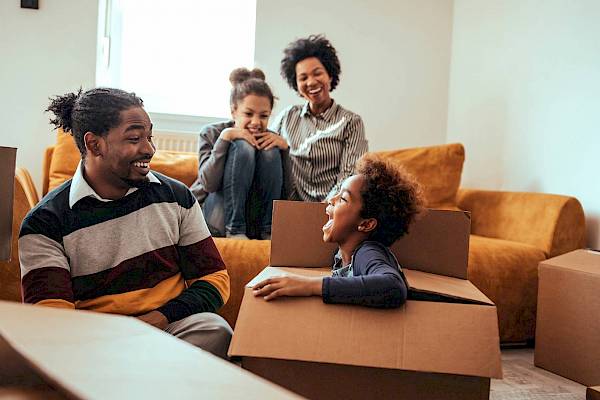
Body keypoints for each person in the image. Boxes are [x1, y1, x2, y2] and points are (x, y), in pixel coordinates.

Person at [19, 88, 232, 359]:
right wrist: (116, 338)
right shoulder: (44, 223)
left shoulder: (176, 197)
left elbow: (214, 279)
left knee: (215, 331)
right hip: (93, 344)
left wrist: (153, 322)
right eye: (134, 138)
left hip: (169, 330)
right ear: (95, 144)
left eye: (149, 136)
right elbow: (53, 320)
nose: (149, 149)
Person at [252, 154, 424, 308]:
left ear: (366, 224)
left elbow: (393, 286)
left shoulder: (367, 252)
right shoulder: (341, 256)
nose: (331, 199)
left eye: (343, 198)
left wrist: (309, 285)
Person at [191, 68, 289, 240]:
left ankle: (269, 232)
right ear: (234, 111)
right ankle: (234, 230)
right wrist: (225, 138)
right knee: (243, 147)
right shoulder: (212, 132)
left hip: (255, 220)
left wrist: (285, 150)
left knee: (269, 151)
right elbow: (208, 184)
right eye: (248, 114)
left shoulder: (272, 140)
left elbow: (287, 193)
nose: (256, 122)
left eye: (264, 116)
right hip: (218, 215)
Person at [270, 34, 369, 202]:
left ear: (330, 75)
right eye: (303, 78)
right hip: (289, 208)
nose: (311, 82)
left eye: (317, 73)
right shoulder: (287, 117)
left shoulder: (352, 122)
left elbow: (350, 175)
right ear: (296, 84)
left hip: (333, 211)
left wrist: (324, 209)